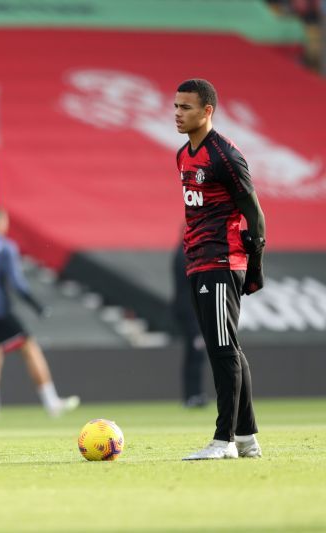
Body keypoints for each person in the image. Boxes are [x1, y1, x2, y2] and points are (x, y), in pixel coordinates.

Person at [174, 79, 265, 460]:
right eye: (176, 107)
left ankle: (222, 439)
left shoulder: (225, 155)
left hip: (222, 259)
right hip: (197, 260)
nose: (178, 114)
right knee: (225, 347)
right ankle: (245, 437)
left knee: (223, 349)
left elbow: (255, 215)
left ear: (207, 111)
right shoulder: (182, 154)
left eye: (187, 108)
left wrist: (255, 268)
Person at [0, 209, 80, 417]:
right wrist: (37, 306)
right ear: (0, 223)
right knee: (30, 348)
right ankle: (51, 402)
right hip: (0, 313)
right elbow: (18, 284)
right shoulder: (6, 247)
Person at [171, 236, 209, 408]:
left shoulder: (183, 252)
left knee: (194, 354)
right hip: (190, 311)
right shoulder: (187, 254)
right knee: (195, 353)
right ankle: (193, 395)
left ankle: (193, 395)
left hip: (188, 309)